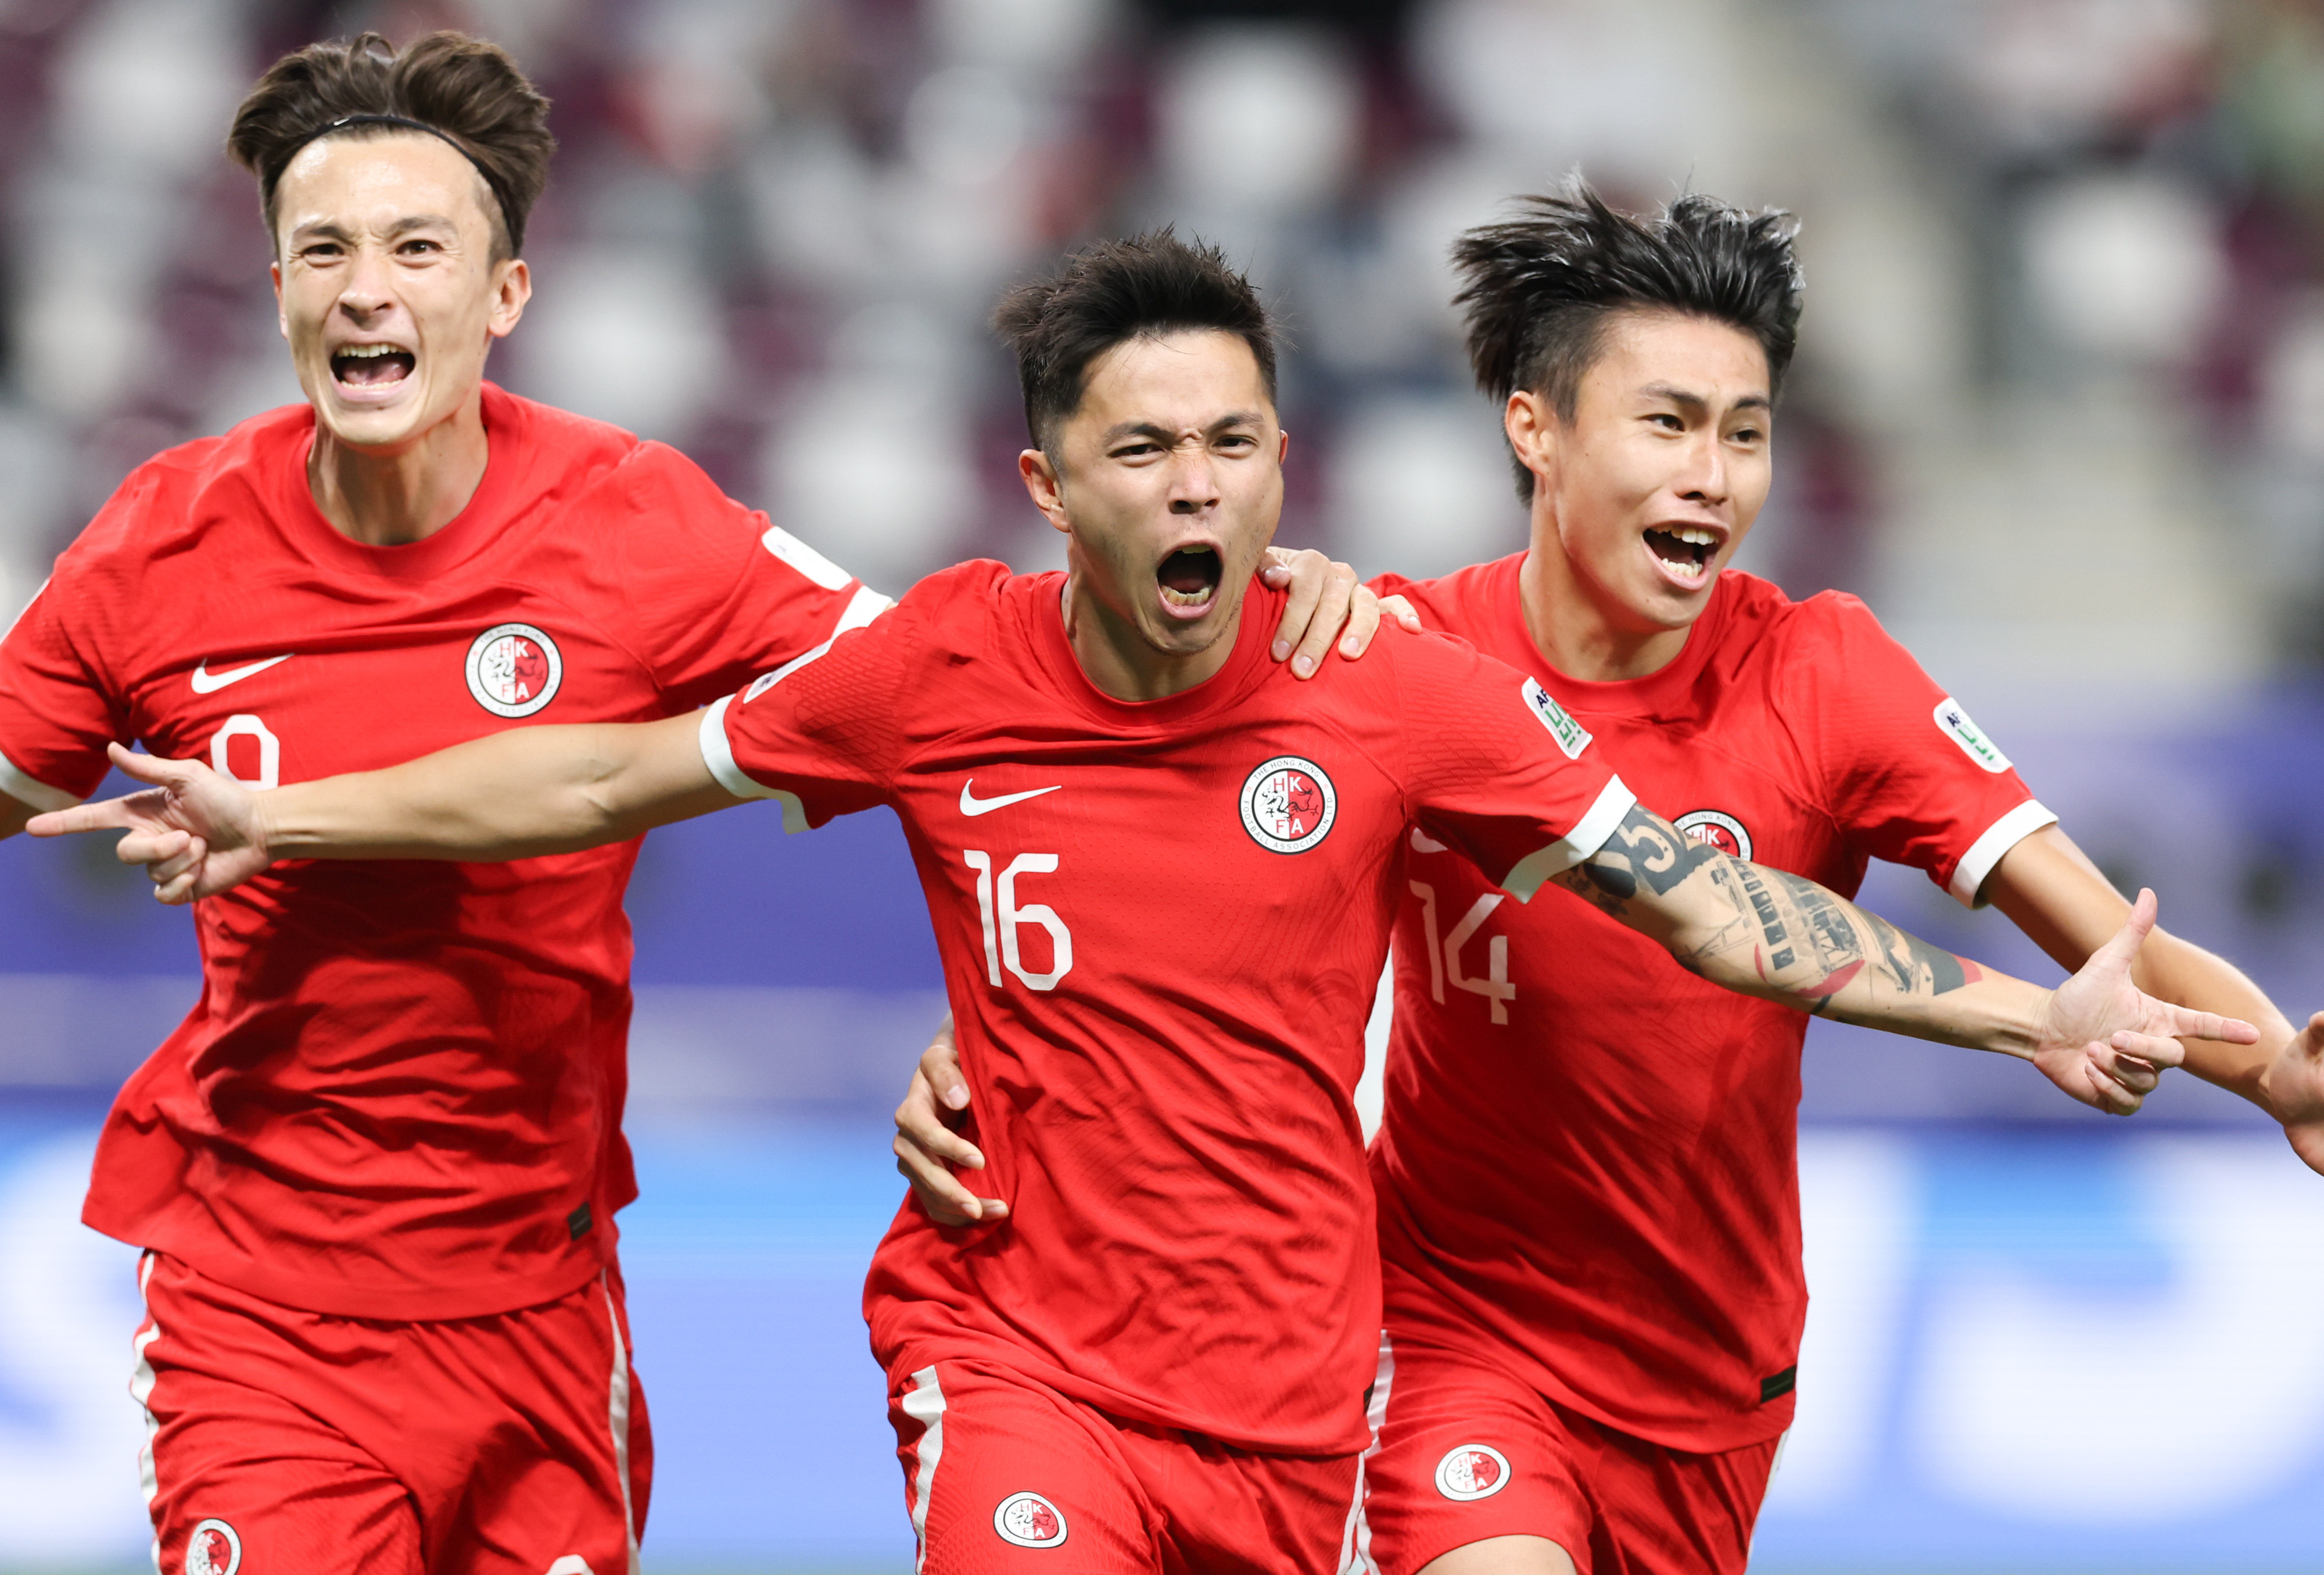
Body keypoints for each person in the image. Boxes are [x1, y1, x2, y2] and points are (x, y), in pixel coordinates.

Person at [35, 231, 2253, 1575]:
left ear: (1284, 464)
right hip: (1018, 1349)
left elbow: (1710, 908)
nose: (1198, 491)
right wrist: (296, 816)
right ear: (1049, 484)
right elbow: (610, 768)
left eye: (1236, 450)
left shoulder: (1398, 686)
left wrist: (2019, 1014)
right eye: (1146, 454)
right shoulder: (937, 669)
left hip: (1293, 1395)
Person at [0, 29, 1380, 1575]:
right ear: (276, 294)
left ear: (503, 294)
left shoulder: (635, 523)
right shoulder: (162, 543)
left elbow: (964, 698)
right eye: (321, 249)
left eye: (416, 247)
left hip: (540, 1302)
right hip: (264, 1307)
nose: (365, 286)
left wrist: (1248, 625)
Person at [883, 186, 2324, 1575]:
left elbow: (2107, 942)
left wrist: (2273, 1078)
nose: (1711, 473)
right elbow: (1149, 855)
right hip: (1449, 1330)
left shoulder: (1826, 676)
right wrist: (999, 1048)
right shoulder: (1387, 660)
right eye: (1668, 423)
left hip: (1712, 1371)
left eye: (1744, 432)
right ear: (1536, 428)